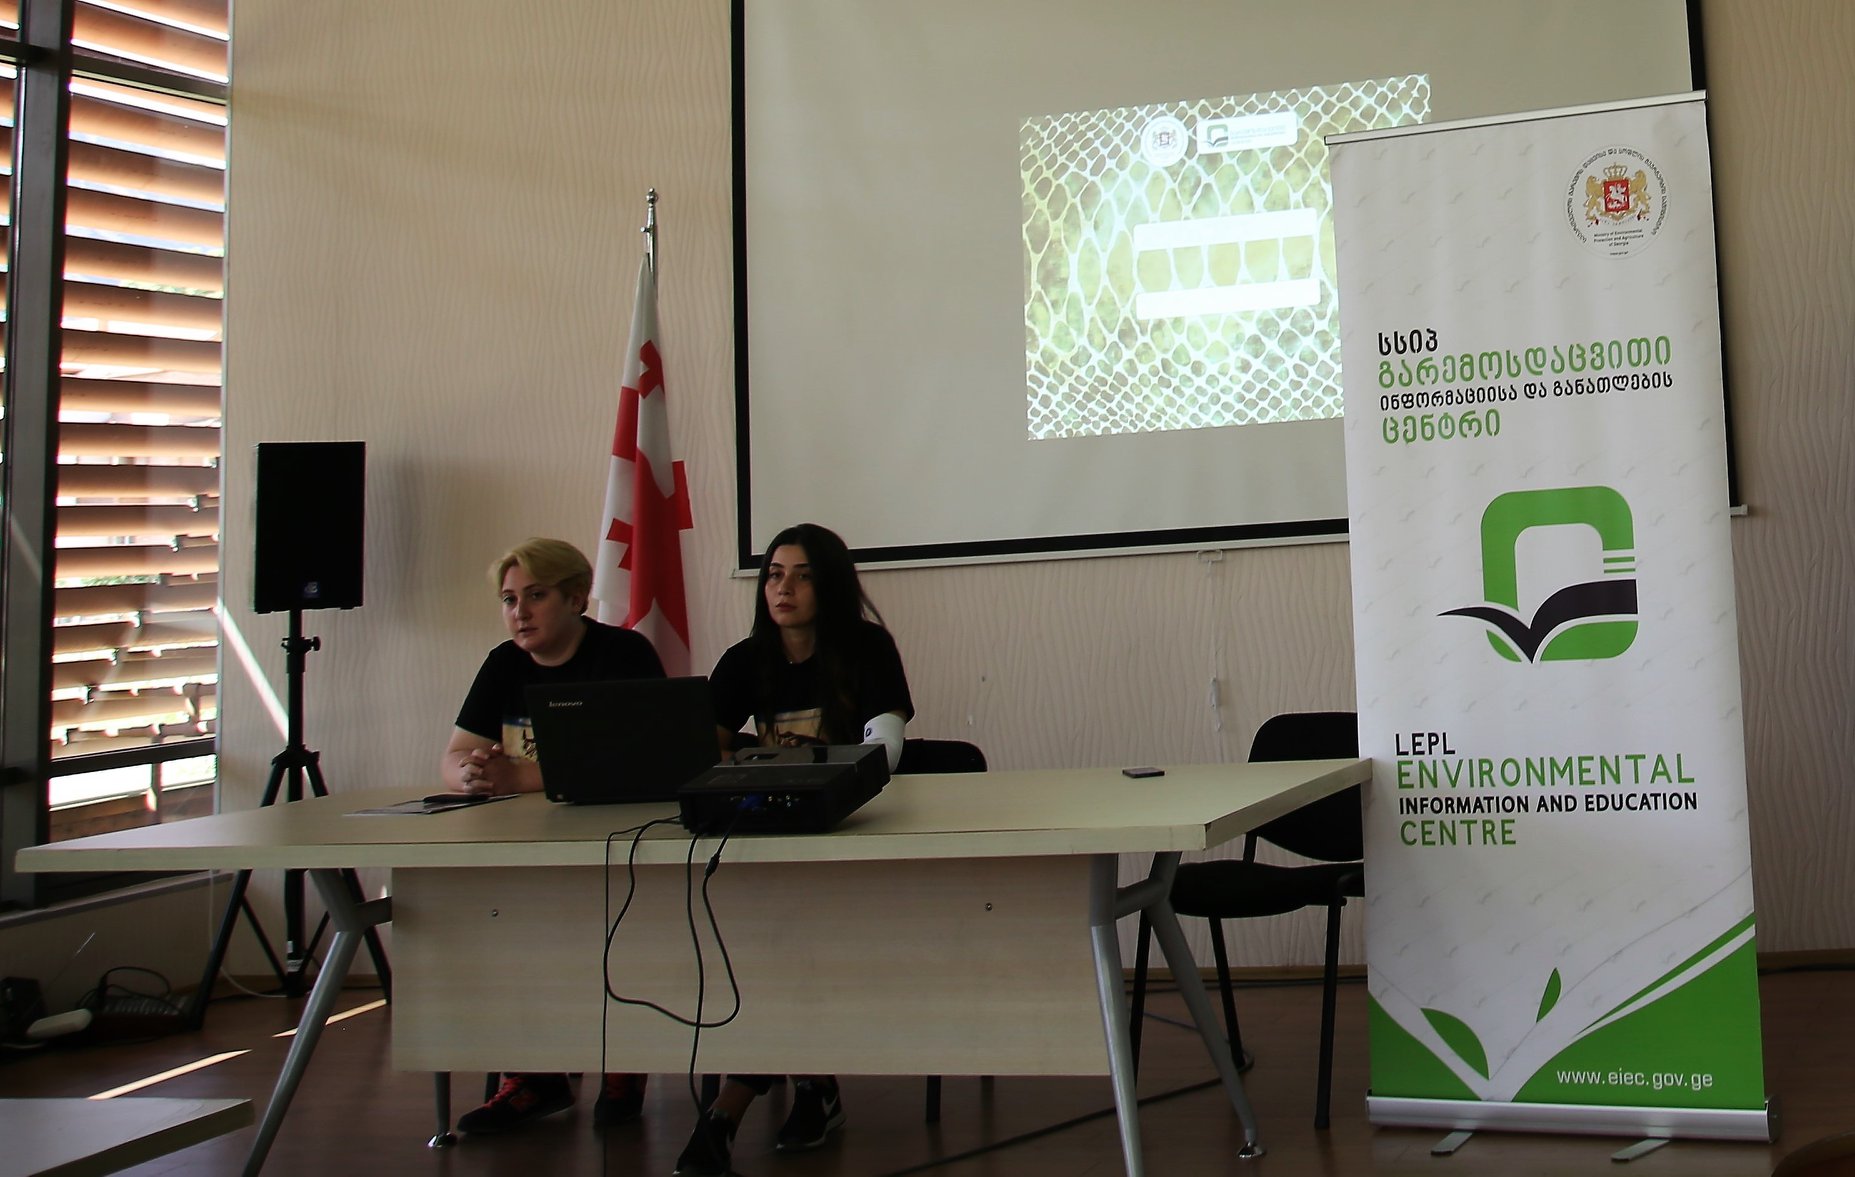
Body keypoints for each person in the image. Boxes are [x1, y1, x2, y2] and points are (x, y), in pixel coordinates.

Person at [674, 523, 914, 1177]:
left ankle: (728, 1110)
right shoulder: (743, 660)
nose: (784, 588)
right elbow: (700, 747)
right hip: (766, 842)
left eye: (803, 576)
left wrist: (797, 761)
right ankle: (811, 1083)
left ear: (830, 586)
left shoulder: (867, 649)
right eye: (775, 574)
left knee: (785, 943)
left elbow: (885, 748)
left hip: (854, 837)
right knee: (767, 941)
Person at [443, 537, 665, 1135]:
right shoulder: (503, 664)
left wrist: (521, 777)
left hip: (617, 849)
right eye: (509, 599)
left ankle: (624, 1063)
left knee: (619, 929)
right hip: (522, 850)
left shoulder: (623, 654)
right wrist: (470, 774)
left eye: (535, 596)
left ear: (575, 598)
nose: (520, 612)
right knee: (501, 929)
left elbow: (645, 759)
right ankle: (534, 1077)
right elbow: (456, 752)